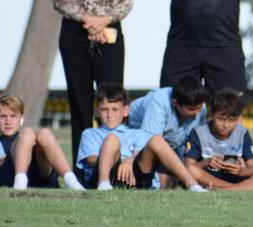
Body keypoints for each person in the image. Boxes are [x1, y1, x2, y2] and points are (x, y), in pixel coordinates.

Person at [53, 0, 135, 166]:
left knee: (111, 100)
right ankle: (81, 167)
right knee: (80, 102)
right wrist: (89, 21)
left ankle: (115, 162)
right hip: (75, 32)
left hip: (109, 32)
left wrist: (104, 21)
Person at [78, 82, 207, 192]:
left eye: (115, 109)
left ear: (125, 111)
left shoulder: (135, 132)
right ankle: (103, 183)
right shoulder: (90, 133)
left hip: (134, 177)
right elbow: (91, 160)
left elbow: (141, 153)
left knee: (157, 140)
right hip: (103, 174)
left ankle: (192, 184)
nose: (109, 114)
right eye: (104, 109)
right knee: (112, 139)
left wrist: (131, 160)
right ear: (97, 111)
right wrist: (120, 159)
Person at [0, 94, 85, 190]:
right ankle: (20, 182)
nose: (8, 122)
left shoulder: (32, 140)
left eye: (13, 116)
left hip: (40, 173)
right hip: (6, 175)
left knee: (42, 133)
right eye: (3, 116)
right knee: (28, 133)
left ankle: (72, 182)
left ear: (21, 118)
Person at [184, 89, 253, 190]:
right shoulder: (198, 133)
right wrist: (207, 162)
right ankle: (235, 188)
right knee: (190, 170)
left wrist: (241, 171)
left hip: (237, 179)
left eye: (232, 120)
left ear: (238, 118)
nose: (226, 125)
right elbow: (188, 166)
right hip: (209, 178)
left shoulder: (242, 133)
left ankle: (228, 188)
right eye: (221, 119)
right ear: (212, 114)